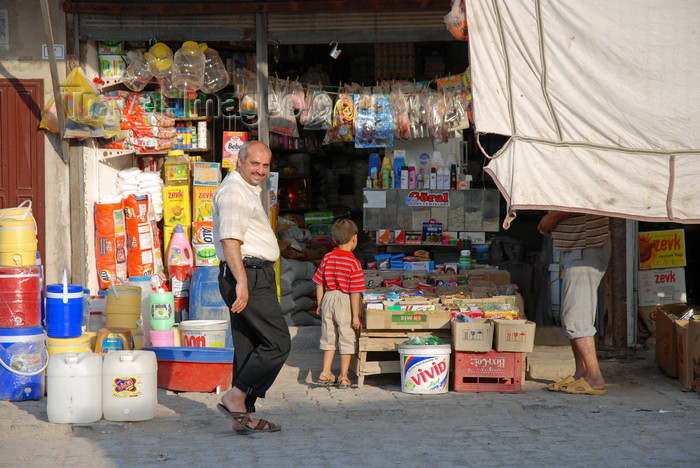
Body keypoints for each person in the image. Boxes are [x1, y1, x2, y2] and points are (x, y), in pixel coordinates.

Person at [213, 140, 291, 434]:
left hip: (249, 274)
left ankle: (242, 415)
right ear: (239, 162)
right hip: (247, 275)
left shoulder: (245, 188)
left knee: (248, 344)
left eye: (265, 165)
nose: (260, 170)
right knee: (278, 342)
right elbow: (230, 240)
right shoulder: (234, 191)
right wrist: (243, 283)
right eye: (254, 164)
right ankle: (235, 396)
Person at [538, 211, 611, 396]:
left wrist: (552, 218)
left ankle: (594, 378)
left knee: (577, 315)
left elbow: (583, 200)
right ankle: (582, 374)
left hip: (585, 245)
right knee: (571, 312)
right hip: (575, 246)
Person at [312, 219, 365, 389]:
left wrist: (320, 303)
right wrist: (356, 315)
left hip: (328, 298)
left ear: (334, 240)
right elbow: (355, 291)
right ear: (355, 239)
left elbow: (319, 282)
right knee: (346, 337)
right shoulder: (354, 263)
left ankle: (325, 372)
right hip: (344, 300)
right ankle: (343, 376)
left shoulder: (327, 257)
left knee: (329, 337)